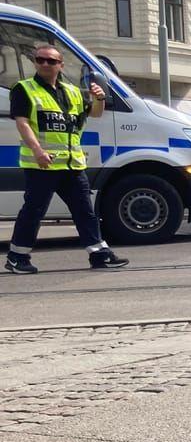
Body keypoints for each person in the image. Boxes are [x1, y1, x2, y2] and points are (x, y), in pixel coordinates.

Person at [5, 44, 128, 274]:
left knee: (85, 211)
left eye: (51, 61)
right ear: (35, 62)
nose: (44, 64)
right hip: (42, 164)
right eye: (40, 60)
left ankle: (99, 254)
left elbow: (96, 113)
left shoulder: (71, 91)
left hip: (71, 165)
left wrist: (98, 98)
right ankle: (17, 257)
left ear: (60, 65)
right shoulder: (25, 89)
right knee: (33, 212)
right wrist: (38, 151)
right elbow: (22, 122)